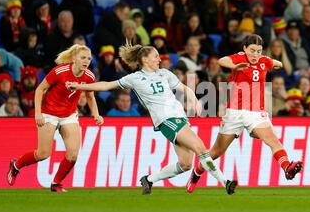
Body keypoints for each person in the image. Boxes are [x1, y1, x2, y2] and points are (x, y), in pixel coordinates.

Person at [66, 45, 237, 195]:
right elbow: (106, 85)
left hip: (180, 118)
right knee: (201, 148)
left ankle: (148, 179)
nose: (159, 59)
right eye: (155, 56)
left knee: (185, 164)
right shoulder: (134, 78)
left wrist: (193, 100)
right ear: (145, 59)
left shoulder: (164, 73)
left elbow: (184, 88)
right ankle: (225, 182)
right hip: (166, 120)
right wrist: (80, 86)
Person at [186, 35, 303, 193]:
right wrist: (235, 66)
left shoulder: (263, 60)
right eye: (252, 50)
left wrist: (277, 63)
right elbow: (222, 61)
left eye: (259, 51)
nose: (255, 54)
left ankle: (287, 168)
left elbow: (276, 63)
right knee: (216, 151)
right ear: (245, 49)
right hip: (235, 113)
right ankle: (196, 173)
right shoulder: (239, 58)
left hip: (256, 113)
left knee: (274, 141)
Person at [7, 45, 104, 192]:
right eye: (83, 57)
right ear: (73, 59)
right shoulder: (60, 71)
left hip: (69, 114)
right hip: (49, 113)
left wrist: (96, 114)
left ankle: (56, 183)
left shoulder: (89, 76)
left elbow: (90, 95)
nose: (86, 61)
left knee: (72, 155)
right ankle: (16, 165)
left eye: (89, 58)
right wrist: (38, 113)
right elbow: (40, 89)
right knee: (43, 154)